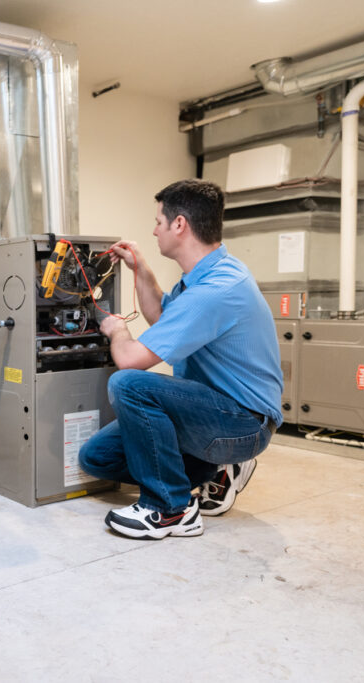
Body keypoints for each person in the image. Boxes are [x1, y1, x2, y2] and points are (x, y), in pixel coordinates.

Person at [78, 179, 282, 540]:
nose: (154, 230)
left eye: (158, 221)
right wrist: (140, 266)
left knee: (129, 385)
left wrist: (116, 329)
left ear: (179, 225)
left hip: (242, 422)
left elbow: (129, 360)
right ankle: (217, 469)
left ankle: (169, 509)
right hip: (211, 411)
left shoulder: (216, 290)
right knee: (97, 458)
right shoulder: (205, 277)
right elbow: (161, 315)